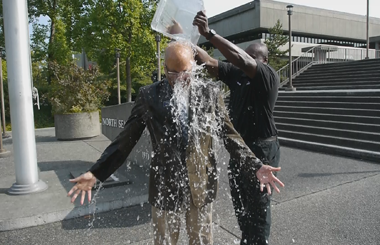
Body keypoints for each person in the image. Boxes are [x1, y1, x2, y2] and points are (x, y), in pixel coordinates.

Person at [67, 41, 284, 245]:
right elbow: (126, 139)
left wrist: (255, 165)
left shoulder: (209, 93)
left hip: (200, 185)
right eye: (173, 73)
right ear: (164, 68)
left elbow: (230, 135)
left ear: (194, 66)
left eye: (185, 72)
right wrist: (96, 173)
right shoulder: (149, 96)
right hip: (165, 185)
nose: (180, 78)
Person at [193, 11, 281, 245]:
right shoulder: (237, 74)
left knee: (259, 208)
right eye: (247, 54)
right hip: (240, 149)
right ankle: (247, 240)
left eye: (254, 56)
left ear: (264, 61)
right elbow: (209, 62)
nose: (247, 58)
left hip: (262, 149)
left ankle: (258, 241)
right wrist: (185, 41)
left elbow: (241, 59)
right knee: (241, 204)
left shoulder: (268, 77)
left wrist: (210, 34)